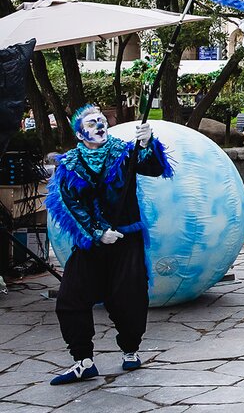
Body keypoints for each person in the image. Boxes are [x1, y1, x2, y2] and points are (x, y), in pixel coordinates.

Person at [45, 105, 172, 385]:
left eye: (102, 120)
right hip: (91, 242)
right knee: (70, 298)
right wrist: (98, 231)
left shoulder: (125, 152)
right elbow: (69, 203)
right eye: (92, 122)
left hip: (126, 239)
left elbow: (154, 168)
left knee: (128, 298)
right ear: (80, 133)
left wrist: (147, 143)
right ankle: (83, 361)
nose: (100, 125)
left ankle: (130, 349)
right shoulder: (69, 164)